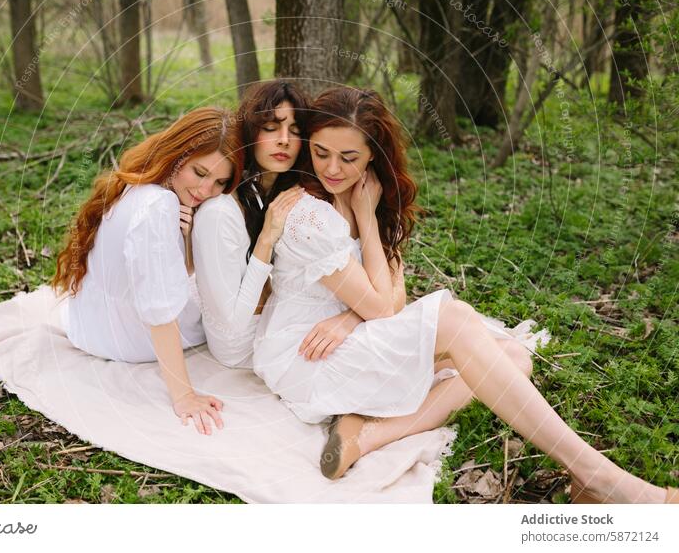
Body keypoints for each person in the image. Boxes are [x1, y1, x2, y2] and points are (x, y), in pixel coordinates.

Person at [252, 87, 677, 504]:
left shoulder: (369, 197)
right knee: (454, 322)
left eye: (349, 157)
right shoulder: (308, 213)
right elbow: (383, 308)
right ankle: (597, 477)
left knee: (515, 357)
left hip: (350, 337)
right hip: (307, 354)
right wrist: (363, 230)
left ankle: (367, 435)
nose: (332, 168)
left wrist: (360, 265)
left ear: (372, 158)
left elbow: (393, 301)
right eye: (321, 152)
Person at [51, 107, 242, 436]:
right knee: (228, 305)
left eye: (220, 182)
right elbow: (159, 309)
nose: (205, 190)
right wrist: (184, 395)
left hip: (88, 327)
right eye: (199, 172)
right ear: (178, 155)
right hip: (128, 340)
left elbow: (157, 273)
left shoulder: (137, 182)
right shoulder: (159, 206)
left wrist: (184, 237)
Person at [193, 80, 363, 368]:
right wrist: (265, 241)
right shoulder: (220, 212)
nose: (284, 139)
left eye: (295, 131)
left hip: (288, 319)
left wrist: (352, 316)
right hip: (244, 344)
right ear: (251, 132)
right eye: (271, 128)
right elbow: (232, 324)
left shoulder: (294, 193)